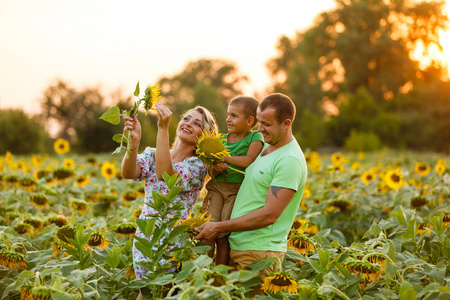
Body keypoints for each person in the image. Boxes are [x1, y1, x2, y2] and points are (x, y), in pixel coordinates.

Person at [195, 93, 307, 295]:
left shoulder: (289, 160)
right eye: (259, 121)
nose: (259, 128)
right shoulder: (265, 147)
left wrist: (218, 226)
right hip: (236, 246)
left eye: (266, 124)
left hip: (259, 254)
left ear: (286, 123)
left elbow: (269, 215)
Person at [122, 103, 218, 299]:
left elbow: (165, 174)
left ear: (205, 136)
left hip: (171, 242)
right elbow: (128, 172)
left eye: (197, 123)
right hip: (145, 237)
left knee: (156, 293)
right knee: (146, 292)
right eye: (186, 119)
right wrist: (133, 143)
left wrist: (162, 128)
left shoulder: (197, 167)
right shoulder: (152, 153)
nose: (189, 123)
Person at [202, 96, 264, 265]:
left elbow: (248, 160)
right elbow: (211, 169)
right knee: (208, 230)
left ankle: (220, 276)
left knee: (223, 236)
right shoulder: (221, 140)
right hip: (216, 188)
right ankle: (202, 273)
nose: (228, 119)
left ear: (250, 121)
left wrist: (225, 158)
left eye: (234, 116)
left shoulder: (255, 138)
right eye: (228, 114)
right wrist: (217, 168)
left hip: (236, 192)